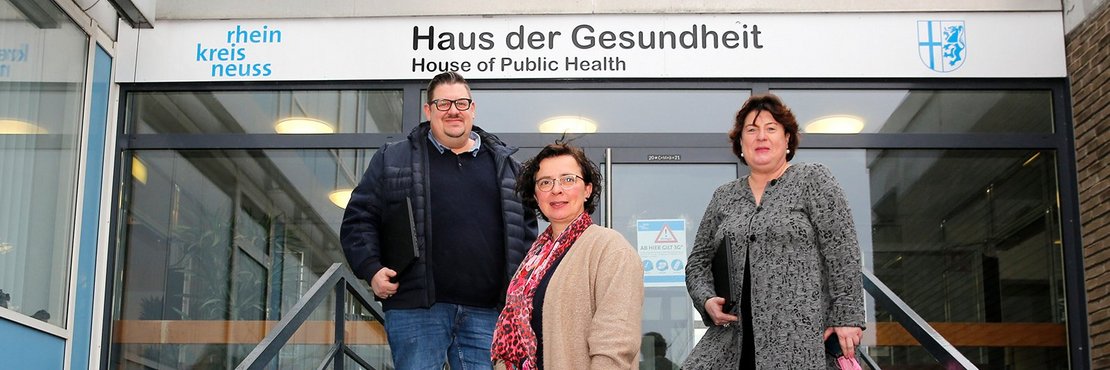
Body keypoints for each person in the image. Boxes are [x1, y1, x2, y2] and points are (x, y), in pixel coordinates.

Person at [340, 71, 538, 369]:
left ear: (472, 108)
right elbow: (359, 219)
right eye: (443, 104)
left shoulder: (508, 166)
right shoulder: (393, 158)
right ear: (428, 110)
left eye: (461, 102)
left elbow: (526, 235)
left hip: (489, 314)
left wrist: (520, 294)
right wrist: (371, 269)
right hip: (416, 310)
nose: (453, 111)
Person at [683, 94, 865, 369]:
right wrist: (707, 300)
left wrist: (847, 316)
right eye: (751, 130)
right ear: (740, 143)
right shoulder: (724, 196)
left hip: (799, 338)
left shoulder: (813, 179)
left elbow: (842, 251)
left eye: (771, 129)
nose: (761, 137)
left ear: (787, 139)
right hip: (733, 339)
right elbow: (698, 263)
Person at [491, 142, 644, 369]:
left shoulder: (610, 249)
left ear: (588, 190)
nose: (556, 189)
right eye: (545, 182)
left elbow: (615, 342)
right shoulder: (533, 260)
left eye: (568, 179)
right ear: (535, 194)